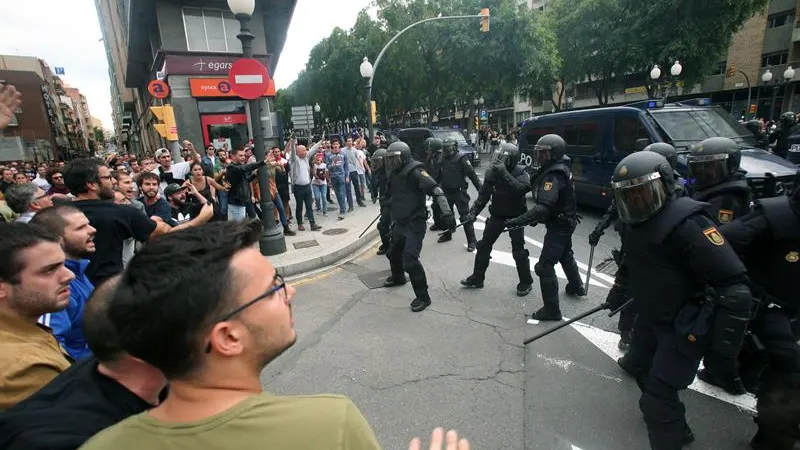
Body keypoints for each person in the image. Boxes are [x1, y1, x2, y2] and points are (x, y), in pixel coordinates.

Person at [78, 222, 379, 449]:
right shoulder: (330, 425)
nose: (290, 291)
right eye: (275, 287)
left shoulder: (101, 445)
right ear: (228, 338)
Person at [609, 151, 752, 450]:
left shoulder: (690, 223)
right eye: (629, 197)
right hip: (651, 316)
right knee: (641, 370)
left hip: (684, 323)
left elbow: (734, 286)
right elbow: (632, 264)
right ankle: (678, 428)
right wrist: (616, 294)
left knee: (657, 398)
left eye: (642, 194)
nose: (636, 202)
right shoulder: (635, 223)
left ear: (665, 185)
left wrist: (722, 353)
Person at [0, 276, 167, 450]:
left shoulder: (104, 370)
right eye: (193, 329)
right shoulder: (74, 440)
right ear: (146, 347)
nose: (68, 275)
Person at [717, 182, 800, 449]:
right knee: (788, 370)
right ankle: (772, 436)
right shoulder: (777, 215)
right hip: (767, 305)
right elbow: (723, 241)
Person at [505, 134, 585, 321]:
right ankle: (576, 286)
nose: (539, 157)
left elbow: (543, 208)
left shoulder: (553, 175)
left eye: (543, 154)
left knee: (544, 267)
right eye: (539, 153)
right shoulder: (561, 168)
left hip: (560, 225)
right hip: (566, 220)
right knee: (565, 255)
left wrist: (519, 220)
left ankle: (552, 310)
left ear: (554, 154)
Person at [0, 223, 74, 410]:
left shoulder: (23, 327)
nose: (69, 275)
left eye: (63, 264)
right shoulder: (27, 368)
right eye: (49, 270)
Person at [64, 158, 170, 285]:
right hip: (109, 292)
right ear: (92, 184)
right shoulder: (121, 213)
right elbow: (161, 231)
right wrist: (199, 220)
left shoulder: (54, 215)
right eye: (108, 177)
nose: (114, 181)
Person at [382, 142, 455, 313]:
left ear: (404, 157)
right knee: (393, 253)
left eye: (395, 158)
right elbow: (389, 195)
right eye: (390, 159)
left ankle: (423, 297)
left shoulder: (415, 171)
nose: (392, 162)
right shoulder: (393, 174)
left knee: (410, 260)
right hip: (400, 221)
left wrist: (447, 212)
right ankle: (399, 277)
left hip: (415, 222)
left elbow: (436, 189)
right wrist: (387, 204)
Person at [460, 143, 533, 296]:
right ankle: (477, 278)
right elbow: (483, 197)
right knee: (483, 246)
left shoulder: (521, 172)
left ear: (512, 160)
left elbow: (521, 189)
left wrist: (504, 173)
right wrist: (473, 213)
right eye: (498, 157)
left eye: (503, 159)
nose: (499, 161)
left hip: (516, 216)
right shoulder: (492, 174)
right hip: (497, 215)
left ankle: (526, 282)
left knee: (518, 251)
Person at [31, 206, 97, 361]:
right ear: (56, 238)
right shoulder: (52, 285)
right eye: (81, 227)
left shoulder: (77, 270)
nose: (92, 230)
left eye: (88, 224)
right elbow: (50, 348)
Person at [688, 137, 751, 225]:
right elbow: (689, 181)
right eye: (698, 166)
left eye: (709, 165)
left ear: (731, 165)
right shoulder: (709, 186)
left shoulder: (726, 201)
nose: (702, 171)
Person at [435, 139, 481, 251]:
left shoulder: (461, 158)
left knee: (465, 217)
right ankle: (448, 234)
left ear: (454, 147)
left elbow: (472, 175)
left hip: (459, 192)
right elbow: (439, 175)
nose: (446, 150)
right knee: (446, 214)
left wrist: (482, 190)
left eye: (448, 147)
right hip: (446, 191)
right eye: (444, 147)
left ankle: (472, 241)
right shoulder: (442, 158)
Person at [370, 148, 391, 255]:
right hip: (384, 203)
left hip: (391, 204)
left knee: (384, 226)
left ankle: (389, 246)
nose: (376, 164)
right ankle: (387, 244)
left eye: (378, 162)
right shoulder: (380, 173)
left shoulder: (390, 174)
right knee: (384, 226)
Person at [424, 138, 445, 232]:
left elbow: (440, 173)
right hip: (434, 183)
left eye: (430, 147)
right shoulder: (431, 157)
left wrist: (438, 185)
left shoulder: (441, 157)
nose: (428, 149)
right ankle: (437, 223)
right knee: (435, 206)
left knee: (440, 205)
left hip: (440, 185)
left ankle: (443, 225)